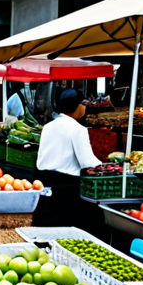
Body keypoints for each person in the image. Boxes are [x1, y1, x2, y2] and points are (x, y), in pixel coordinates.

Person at [33, 88, 101, 228]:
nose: (84, 107)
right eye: (82, 103)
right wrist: (108, 165)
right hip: (67, 189)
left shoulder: (48, 126)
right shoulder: (78, 129)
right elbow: (87, 162)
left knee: (46, 227)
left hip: (45, 184)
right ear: (76, 106)